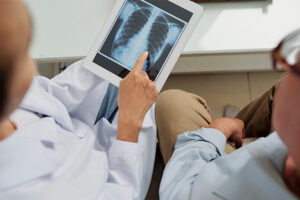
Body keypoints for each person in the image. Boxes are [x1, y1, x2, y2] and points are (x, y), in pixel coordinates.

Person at [0, 0, 158, 199]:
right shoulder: (31, 190)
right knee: (148, 86)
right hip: (113, 169)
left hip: (76, 132)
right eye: (25, 53)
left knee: (129, 74)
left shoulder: (11, 101)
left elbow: (48, 95)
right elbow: (121, 193)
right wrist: (129, 125)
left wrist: (101, 61)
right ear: (12, 83)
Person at [157, 29, 300, 199]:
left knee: (173, 103)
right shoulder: (288, 145)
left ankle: (230, 138)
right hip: (265, 145)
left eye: (296, 68)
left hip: (206, 173)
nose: (288, 66)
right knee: (274, 93)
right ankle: (237, 129)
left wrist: (218, 130)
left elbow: (179, 190)